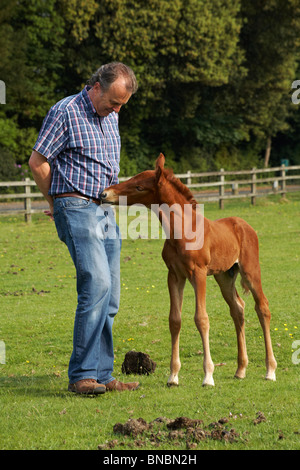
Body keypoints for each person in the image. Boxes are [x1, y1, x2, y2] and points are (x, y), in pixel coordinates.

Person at [29, 62, 139, 395]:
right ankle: (82, 375)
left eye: (122, 105)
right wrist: (55, 201)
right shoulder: (65, 112)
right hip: (75, 204)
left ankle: (103, 375)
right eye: (113, 102)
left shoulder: (112, 116)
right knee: (97, 283)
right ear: (96, 87)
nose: (116, 110)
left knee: (112, 294)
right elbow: (38, 161)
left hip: (105, 209)